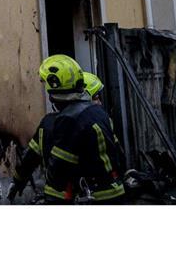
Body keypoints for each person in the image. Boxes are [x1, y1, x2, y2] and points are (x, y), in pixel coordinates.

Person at [8, 54, 126, 204]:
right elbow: (120, 156)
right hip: (116, 192)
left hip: (89, 198)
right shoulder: (100, 113)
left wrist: (20, 182)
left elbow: (59, 170)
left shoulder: (68, 120)